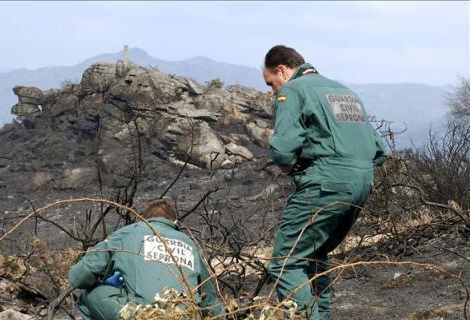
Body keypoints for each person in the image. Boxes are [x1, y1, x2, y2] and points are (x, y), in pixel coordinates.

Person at [261, 45, 387, 319]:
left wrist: (297, 169)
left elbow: (282, 150)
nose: (273, 91)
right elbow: (380, 150)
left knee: (286, 263)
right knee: (314, 255)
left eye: (271, 83)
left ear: (282, 70)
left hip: (326, 184)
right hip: (362, 184)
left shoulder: (293, 91)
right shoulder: (344, 92)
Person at [68, 199, 224, 320]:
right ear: (174, 222)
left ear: (142, 220)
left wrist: (103, 282)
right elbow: (209, 300)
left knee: (88, 297)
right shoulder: (189, 244)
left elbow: (78, 277)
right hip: (185, 315)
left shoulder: (127, 233)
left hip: (143, 315)